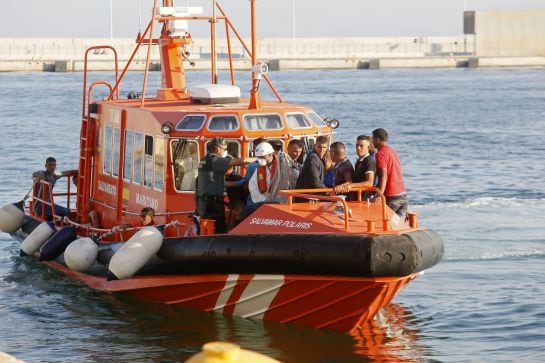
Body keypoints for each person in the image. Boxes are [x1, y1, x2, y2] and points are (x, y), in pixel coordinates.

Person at [196, 137, 256, 234]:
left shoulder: (204, 160)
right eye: (224, 149)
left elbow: (217, 182)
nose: (224, 151)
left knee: (207, 229)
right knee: (218, 229)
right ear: (218, 149)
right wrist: (257, 159)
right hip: (212, 204)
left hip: (205, 203)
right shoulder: (213, 160)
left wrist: (237, 183)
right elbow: (237, 161)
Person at [241, 142, 292, 218]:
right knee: (245, 214)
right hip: (263, 202)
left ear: (270, 155)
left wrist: (276, 202)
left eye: (262, 157)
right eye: (259, 158)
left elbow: (288, 186)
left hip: (280, 203)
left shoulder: (283, 167)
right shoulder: (259, 169)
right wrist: (265, 200)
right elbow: (253, 186)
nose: (260, 160)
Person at [372, 128, 408, 217]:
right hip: (402, 194)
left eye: (373, 139)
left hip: (392, 196)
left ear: (377, 139)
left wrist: (380, 193)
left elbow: (383, 176)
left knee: (384, 223)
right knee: (395, 224)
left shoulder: (380, 154)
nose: (372, 142)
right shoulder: (393, 152)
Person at [334, 135, 376, 200]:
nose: (358, 148)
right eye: (357, 145)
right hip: (356, 197)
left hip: (363, 198)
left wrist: (351, 185)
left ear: (368, 147)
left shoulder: (369, 160)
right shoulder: (359, 161)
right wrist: (343, 185)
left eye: (361, 146)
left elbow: (369, 183)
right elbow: (355, 180)